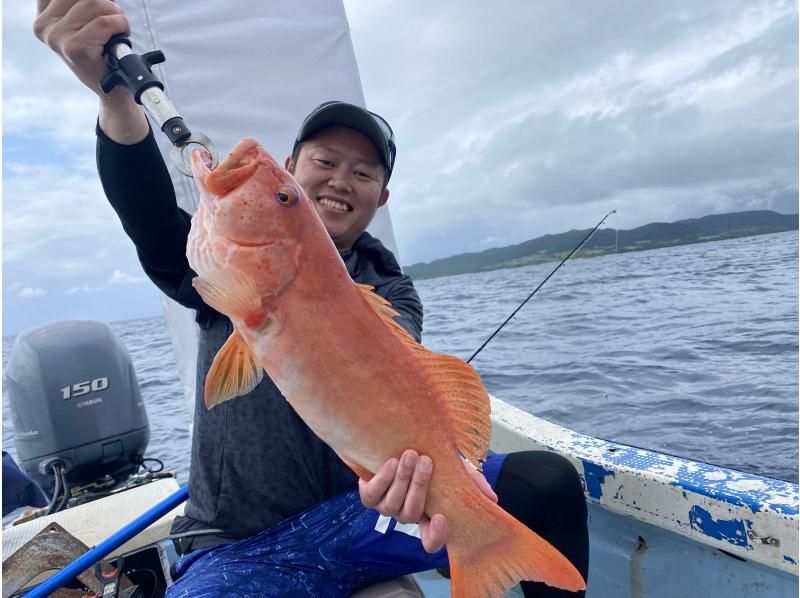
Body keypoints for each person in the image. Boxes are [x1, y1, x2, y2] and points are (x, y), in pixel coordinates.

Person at [34, 2, 589, 596]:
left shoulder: (388, 283)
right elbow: (149, 219)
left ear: (382, 196)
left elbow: (394, 386)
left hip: (360, 514)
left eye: (364, 172)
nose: (341, 180)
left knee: (545, 482)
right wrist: (117, 100)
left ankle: (489, 547)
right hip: (233, 541)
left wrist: (428, 479)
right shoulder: (222, 272)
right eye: (324, 162)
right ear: (295, 167)